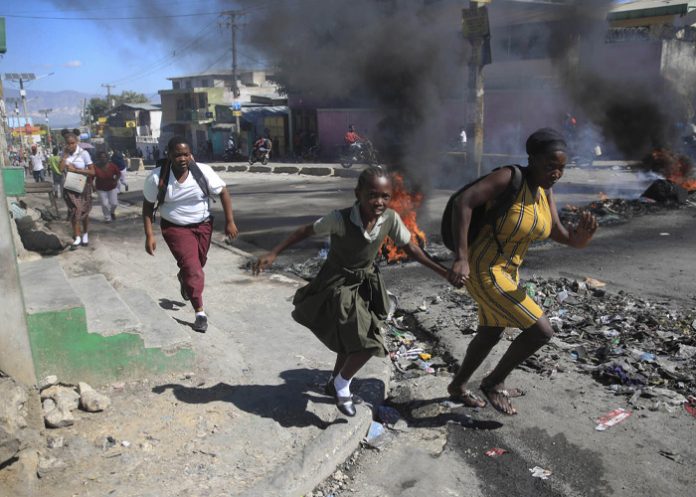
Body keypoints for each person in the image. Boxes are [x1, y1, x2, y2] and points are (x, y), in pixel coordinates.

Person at [254, 166, 452, 416]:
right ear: (357, 193)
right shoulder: (340, 219)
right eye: (372, 195)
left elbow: (411, 248)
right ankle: (342, 385)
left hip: (365, 284)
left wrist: (442, 272)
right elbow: (305, 231)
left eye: (385, 196)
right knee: (369, 343)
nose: (378, 202)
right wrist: (274, 252)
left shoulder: (390, 218)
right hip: (337, 283)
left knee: (351, 342)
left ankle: (333, 383)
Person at [446, 128, 598, 415]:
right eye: (550, 165)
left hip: (508, 271)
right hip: (483, 267)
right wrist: (461, 257)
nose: (556, 173)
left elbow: (556, 231)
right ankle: (494, 382)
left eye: (562, 168)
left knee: (491, 331)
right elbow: (463, 202)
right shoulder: (509, 177)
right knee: (541, 331)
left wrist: (579, 239)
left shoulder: (544, 191)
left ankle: (457, 386)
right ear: (533, 159)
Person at [142, 136, 239, 333]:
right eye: (178, 155)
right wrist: (149, 235)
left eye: (186, 154)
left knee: (198, 262)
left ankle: (184, 278)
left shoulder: (203, 172)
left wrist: (230, 221)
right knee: (194, 268)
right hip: (175, 228)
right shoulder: (157, 177)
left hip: (203, 226)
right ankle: (200, 313)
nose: (183, 158)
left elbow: (223, 192)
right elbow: (147, 207)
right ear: (169, 155)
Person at [61, 132, 95, 249]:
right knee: (74, 211)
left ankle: (85, 233)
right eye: (68, 144)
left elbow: (92, 171)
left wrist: (76, 170)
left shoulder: (84, 154)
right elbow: (60, 169)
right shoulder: (64, 154)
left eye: (72, 143)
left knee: (83, 212)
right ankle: (77, 236)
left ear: (76, 142)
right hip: (70, 186)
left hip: (83, 186)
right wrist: (64, 156)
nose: (70, 145)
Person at [93, 150, 121, 222]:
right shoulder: (95, 166)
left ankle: (112, 212)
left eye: (105, 157)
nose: (103, 159)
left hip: (112, 187)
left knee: (114, 203)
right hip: (101, 188)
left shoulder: (112, 165)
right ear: (99, 158)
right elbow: (91, 177)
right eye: (101, 157)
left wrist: (115, 181)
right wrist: (92, 187)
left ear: (107, 158)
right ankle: (107, 218)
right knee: (104, 204)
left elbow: (118, 173)